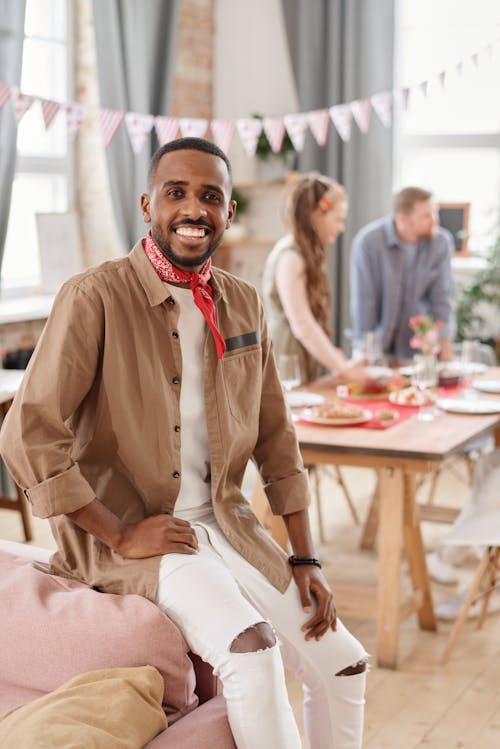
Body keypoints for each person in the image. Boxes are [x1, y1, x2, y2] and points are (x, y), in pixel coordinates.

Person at [0, 138, 367, 749]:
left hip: (231, 525)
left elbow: (278, 437)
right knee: (251, 652)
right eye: (177, 193)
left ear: (226, 212)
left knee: (344, 663)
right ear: (148, 203)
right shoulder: (95, 297)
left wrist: (306, 556)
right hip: (141, 534)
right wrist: (118, 532)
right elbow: (27, 432)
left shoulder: (243, 303)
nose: (194, 208)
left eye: (211, 196)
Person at [262, 172, 369, 385]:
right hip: (287, 362)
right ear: (316, 215)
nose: (341, 228)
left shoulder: (302, 252)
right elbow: (302, 323)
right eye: (338, 219)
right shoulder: (291, 257)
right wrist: (344, 369)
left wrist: (334, 357)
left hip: (297, 358)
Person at [350, 186, 455, 364]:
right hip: (377, 348)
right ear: (403, 219)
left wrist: (446, 353)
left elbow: (442, 299)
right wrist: (367, 355)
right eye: (426, 215)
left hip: (419, 350)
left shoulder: (440, 243)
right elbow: (365, 303)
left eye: (435, 213)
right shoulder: (369, 243)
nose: (435, 220)